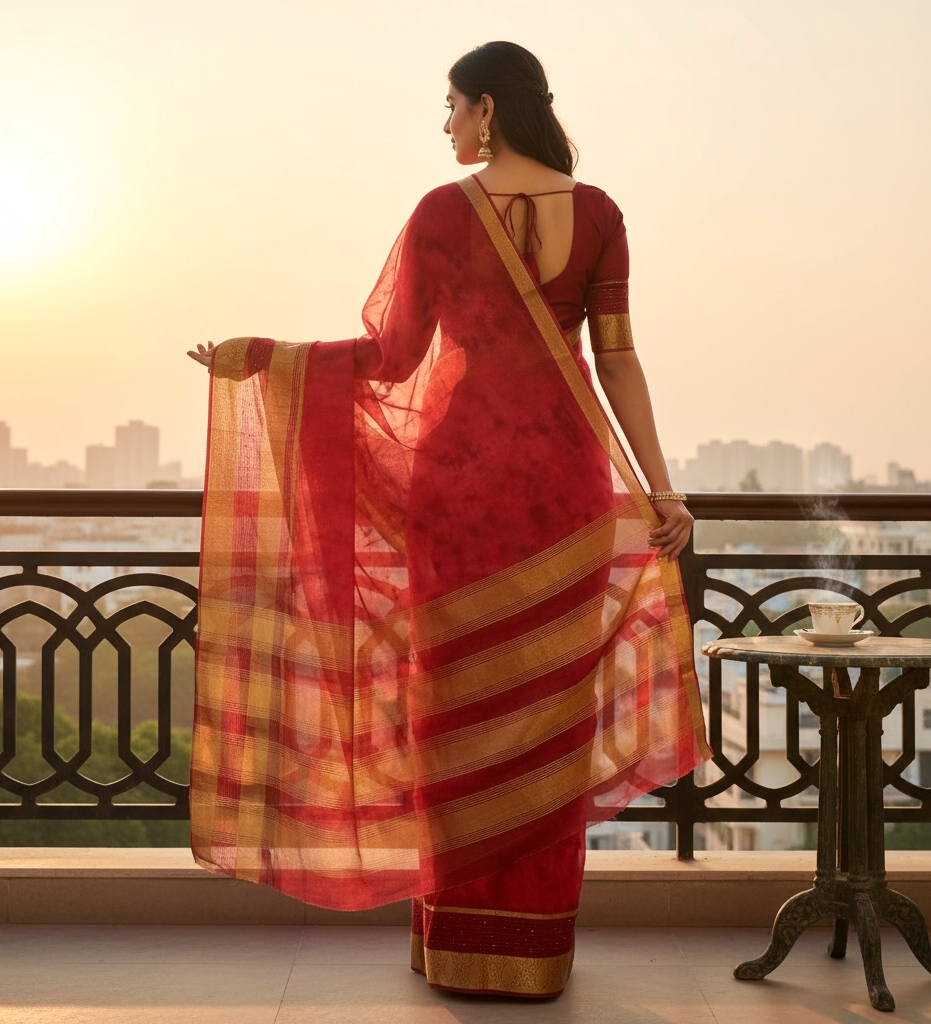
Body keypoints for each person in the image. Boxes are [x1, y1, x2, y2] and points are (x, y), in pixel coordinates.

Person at [188, 40, 709, 1000]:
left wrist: (264, 356)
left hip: (460, 484)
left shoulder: (441, 213)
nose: (446, 125)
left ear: (488, 110)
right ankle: (534, 952)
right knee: (548, 718)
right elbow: (621, 362)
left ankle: (459, 939)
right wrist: (662, 488)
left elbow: (388, 357)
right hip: (564, 485)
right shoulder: (598, 216)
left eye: (452, 106)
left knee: (454, 708)